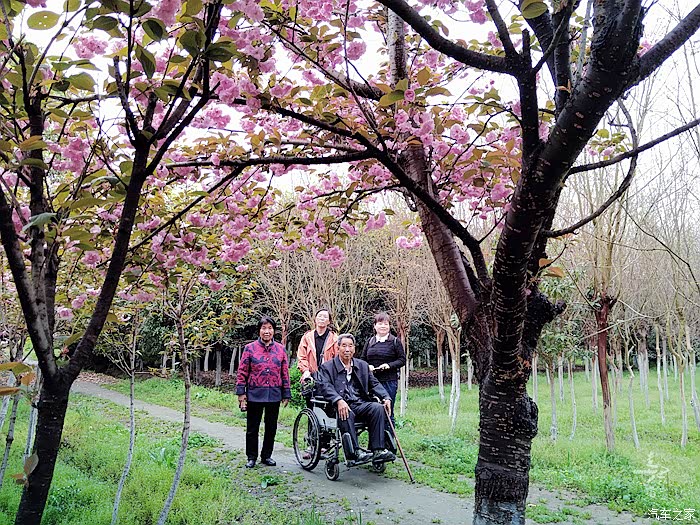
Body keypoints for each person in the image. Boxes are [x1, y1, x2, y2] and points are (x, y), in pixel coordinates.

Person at [317, 333, 395, 463]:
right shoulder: (327, 367)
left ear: (354, 348)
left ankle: (378, 450)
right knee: (345, 412)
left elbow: (374, 384)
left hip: (359, 403)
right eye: (344, 346)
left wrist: (386, 397)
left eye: (350, 346)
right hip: (338, 406)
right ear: (338, 348)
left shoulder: (362, 365)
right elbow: (325, 387)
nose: (347, 349)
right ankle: (355, 452)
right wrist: (338, 400)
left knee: (378, 408)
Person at [236, 316, 291, 469]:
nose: (267, 331)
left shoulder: (280, 349)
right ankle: (251, 457)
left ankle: (266, 455)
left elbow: (284, 372)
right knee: (252, 428)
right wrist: (241, 393)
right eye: (264, 328)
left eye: (270, 328)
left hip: (274, 394)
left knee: (271, 427)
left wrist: (286, 393)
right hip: (255, 394)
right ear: (259, 330)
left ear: (274, 331)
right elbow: (242, 371)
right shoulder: (250, 348)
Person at [359, 312, 406, 425]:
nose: (383, 326)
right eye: (380, 324)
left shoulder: (395, 341)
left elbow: (402, 360)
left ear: (389, 326)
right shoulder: (370, 342)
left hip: (389, 382)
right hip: (372, 382)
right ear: (375, 326)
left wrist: (388, 365)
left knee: (388, 411)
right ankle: (376, 434)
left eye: (386, 324)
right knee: (374, 411)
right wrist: (367, 366)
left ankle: (389, 435)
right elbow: (362, 359)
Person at [297, 308, 338, 381]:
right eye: (320, 316)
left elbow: (338, 359)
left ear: (329, 321)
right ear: (315, 319)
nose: (322, 318)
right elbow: (301, 356)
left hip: (329, 378)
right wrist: (305, 371)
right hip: (310, 376)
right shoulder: (307, 337)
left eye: (325, 317)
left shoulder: (334, 339)